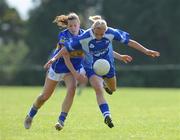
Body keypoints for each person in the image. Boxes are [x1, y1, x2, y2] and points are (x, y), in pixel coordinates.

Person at [24, 13, 132, 130]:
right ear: (67, 26)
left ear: (79, 24)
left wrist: (120, 56)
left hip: (73, 69)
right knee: (44, 97)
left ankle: (61, 120)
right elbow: (65, 57)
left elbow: (100, 48)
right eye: (70, 26)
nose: (73, 28)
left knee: (72, 89)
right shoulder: (64, 36)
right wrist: (75, 73)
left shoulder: (85, 35)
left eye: (75, 25)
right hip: (58, 68)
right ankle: (30, 115)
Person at [44, 15, 160, 96]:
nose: (99, 37)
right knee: (91, 85)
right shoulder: (85, 37)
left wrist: (146, 50)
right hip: (91, 63)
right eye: (97, 34)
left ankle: (105, 83)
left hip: (106, 61)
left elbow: (130, 42)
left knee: (113, 89)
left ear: (106, 31)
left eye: (102, 34)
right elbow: (65, 49)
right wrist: (54, 58)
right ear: (93, 30)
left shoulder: (112, 32)